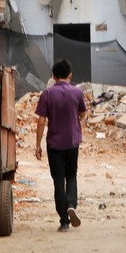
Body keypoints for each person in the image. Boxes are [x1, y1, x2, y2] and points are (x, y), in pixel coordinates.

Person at [35, 59, 86, 232]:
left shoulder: (47, 94)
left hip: (54, 144)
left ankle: (64, 220)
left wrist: (37, 145)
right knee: (71, 176)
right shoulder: (77, 93)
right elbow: (83, 114)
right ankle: (71, 204)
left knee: (58, 180)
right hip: (72, 143)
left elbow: (41, 121)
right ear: (70, 75)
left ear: (53, 76)